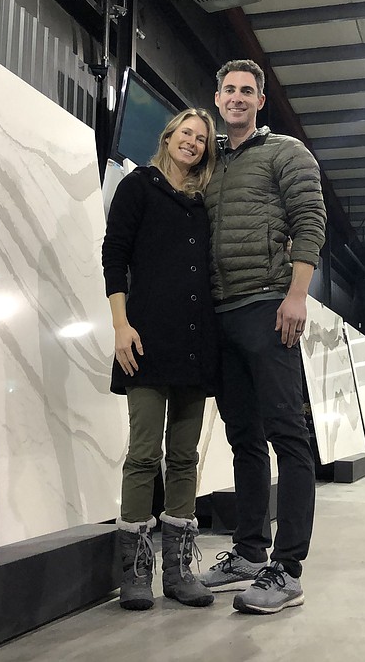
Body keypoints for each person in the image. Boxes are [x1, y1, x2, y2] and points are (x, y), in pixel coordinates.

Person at [198, 59, 326, 615]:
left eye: (248, 91)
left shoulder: (286, 153)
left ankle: (288, 569)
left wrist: (296, 295)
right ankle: (249, 552)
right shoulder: (210, 165)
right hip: (221, 316)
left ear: (260, 101)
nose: (238, 98)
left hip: (269, 307)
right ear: (218, 97)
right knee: (243, 439)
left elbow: (310, 222)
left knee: (287, 437)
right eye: (230, 90)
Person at [101, 108, 220, 611]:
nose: (192, 142)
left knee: (185, 457)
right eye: (186, 133)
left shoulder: (203, 202)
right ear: (168, 136)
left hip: (194, 345)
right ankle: (134, 572)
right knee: (144, 454)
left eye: (201, 138)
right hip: (145, 342)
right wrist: (120, 325)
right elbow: (114, 255)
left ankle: (176, 571)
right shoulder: (139, 186)